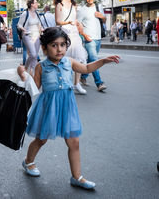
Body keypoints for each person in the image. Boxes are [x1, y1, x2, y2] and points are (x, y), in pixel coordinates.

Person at [21, 27, 120, 190]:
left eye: (62, 45)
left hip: (67, 107)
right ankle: (28, 161)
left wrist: (103, 61)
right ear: (44, 48)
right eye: (54, 45)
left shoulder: (69, 62)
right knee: (41, 139)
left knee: (74, 142)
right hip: (48, 108)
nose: (59, 49)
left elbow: (87, 68)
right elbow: (33, 87)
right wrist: (24, 74)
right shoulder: (41, 66)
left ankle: (77, 177)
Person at [54, 0, 87, 95]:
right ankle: (65, 82)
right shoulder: (60, 5)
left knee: (78, 59)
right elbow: (57, 21)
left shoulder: (74, 5)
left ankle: (77, 83)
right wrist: (69, 22)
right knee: (64, 60)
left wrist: (79, 24)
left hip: (74, 33)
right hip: (64, 34)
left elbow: (75, 19)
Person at [77, 0, 107, 92]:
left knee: (91, 60)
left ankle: (83, 76)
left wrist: (102, 16)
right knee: (94, 59)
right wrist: (85, 36)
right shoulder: (82, 10)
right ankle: (99, 83)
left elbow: (104, 20)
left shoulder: (99, 7)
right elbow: (78, 25)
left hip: (98, 37)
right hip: (89, 39)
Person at [17, 0, 42, 76]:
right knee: (33, 54)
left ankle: (32, 73)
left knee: (35, 56)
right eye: (36, 3)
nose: (37, 4)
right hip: (27, 35)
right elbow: (19, 25)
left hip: (37, 35)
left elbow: (39, 24)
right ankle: (26, 68)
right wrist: (23, 29)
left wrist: (41, 29)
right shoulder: (25, 13)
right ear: (31, 4)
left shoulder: (37, 14)